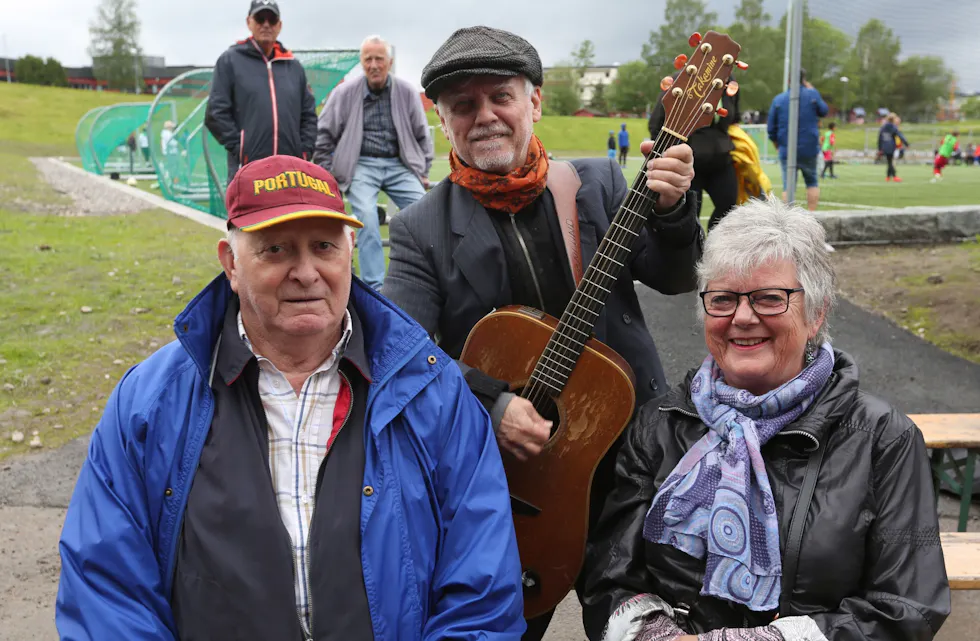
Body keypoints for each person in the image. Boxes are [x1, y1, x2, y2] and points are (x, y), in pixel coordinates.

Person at [56, 155, 526, 639]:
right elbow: (106, 591)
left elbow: (482, 590)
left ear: (351, 250)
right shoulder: (151, 401)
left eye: (323, 246)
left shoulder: (434, 392)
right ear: (231, 264)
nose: (306, 272)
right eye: (276, 249)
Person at [383, 25, 703, 640]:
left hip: (632, 462)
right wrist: (490, 403)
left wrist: (671, 209)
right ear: (442, 120)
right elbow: (403, 353)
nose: (485, 116)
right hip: (517, 482)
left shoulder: (602, 185)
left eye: (500, 96)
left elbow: (675, 275)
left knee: (644, 626)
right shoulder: (420, 229)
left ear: (533, 101)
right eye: (464, 106)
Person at [581, 197, 950, 641]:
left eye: (770, 298)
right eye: (723, 299)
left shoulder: (882, 438)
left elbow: (907, 607)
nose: (741, 317)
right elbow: (609, 575)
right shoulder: (660, 425)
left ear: (816, 314)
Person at [314, 35, 433, 292]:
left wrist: (422, 171)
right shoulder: (344, 93)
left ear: (389, 62)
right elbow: (323, 133)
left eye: (379, 59)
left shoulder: (406, 92)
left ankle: (427, 280)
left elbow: (422, 133)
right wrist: (325, 172)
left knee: (425, 212)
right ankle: (376, 289)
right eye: (368, 59)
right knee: (366, 217)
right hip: (362, 165)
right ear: (362, 63)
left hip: (400, 165)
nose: (374, 65)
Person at [205, 0, 317, 178]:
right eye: (260, 18)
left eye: (271, 20)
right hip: (247, 169)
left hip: (291, 169)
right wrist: (241, 149)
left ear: (279, 25)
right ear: (249, 22)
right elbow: (216, 113)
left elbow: (308, 114)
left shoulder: (293, 67)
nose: (266, 24)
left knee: (291, 207)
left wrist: (304, 152)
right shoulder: (230, 60)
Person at [649, 71, 740, 230]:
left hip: (721, 159)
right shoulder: (681, 78)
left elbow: (734, 117)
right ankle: (694, 251)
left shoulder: (729, 82)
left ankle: (715, 248)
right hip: (688, 163)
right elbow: (656, 123)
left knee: (729, 209)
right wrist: (669, 156)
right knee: (688, 216)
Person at [766, 69, 828, 212]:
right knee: (812, 182)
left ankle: (788, 217)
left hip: (786, 147)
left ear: (788, 81)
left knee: (788, 185)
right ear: (803, 80)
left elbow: (771, 128)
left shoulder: (779, 99)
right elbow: (824, 110)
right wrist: (811, 88)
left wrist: (778, 145)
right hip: (809, 147)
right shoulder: (812, 94)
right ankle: (812, 214)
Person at [877, 113, 908, 183]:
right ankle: (894, 176)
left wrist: (879, 148)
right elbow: (900, 135)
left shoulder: (883, 127)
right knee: (890, 162)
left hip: (884, 146)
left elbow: (879, 138)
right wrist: (906, 143)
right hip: (891, 147)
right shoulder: (893, 127)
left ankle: (888, 177)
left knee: (889, 161)